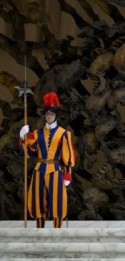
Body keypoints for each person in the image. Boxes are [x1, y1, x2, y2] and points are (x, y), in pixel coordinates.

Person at [18, 92, 76, 229]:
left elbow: (67, 156)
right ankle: (40, 230)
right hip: (39, 170)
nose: (50, 116)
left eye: (52, 114)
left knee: (57, 200)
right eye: (48, 114)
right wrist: (22, 137)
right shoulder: (37, 133)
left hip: (56, 171)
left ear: (56, 115)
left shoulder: (64, 134)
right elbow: (29, 152)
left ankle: (57, 231)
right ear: (44, 115)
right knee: (38, 199)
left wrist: (67, 174)